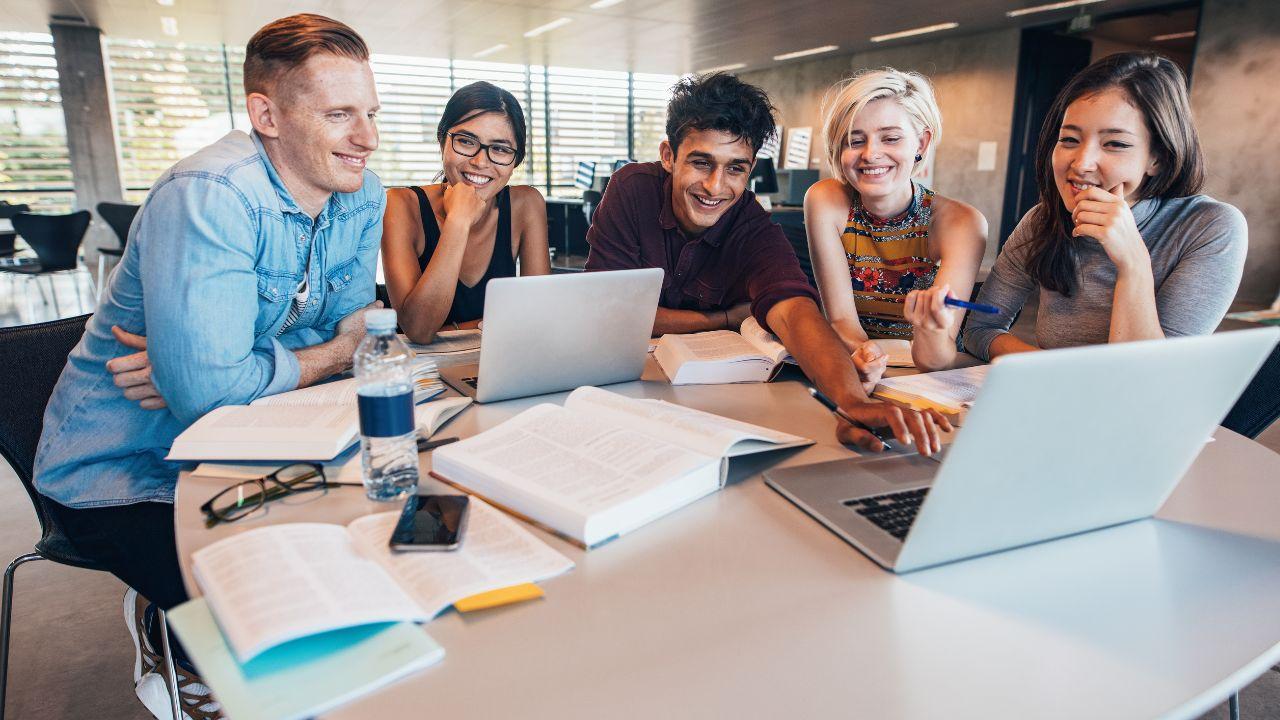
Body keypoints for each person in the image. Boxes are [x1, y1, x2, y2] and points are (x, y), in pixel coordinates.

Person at [32, 14, 383, 718]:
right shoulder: (211, 194)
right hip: (124, 468)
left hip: (256, 441)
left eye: (371, 113)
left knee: (365, 554)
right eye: (340, 114)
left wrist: (230, 369)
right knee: (280, 609)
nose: (366, 138)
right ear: (267, 114)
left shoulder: (361, 193)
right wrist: (302, 358)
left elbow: (352, 339)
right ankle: (179, 643)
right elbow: (225, 390)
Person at [585, 72, 948, 453]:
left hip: (708, 402)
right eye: (701, 163)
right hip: (622, 390)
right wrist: (723, 318)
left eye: (735, 168)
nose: (715, 186)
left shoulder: (751, 225)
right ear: (669, 156)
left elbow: (794, 311)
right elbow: (611, 312)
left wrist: (852, 402)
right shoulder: (631, 190)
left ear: (751, 169)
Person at [963, 52, 1246, 360]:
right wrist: (1048, 374)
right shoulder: (1042, 220)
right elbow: (980, 330)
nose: (1082, 163)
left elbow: (1150, 376)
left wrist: (1133, 262)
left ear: (1158, 157)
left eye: (1115, 144)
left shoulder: (1211, 227)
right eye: (1069, 139)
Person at [805, 68, 987, 377]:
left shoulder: (961, 223)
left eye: (890, 138)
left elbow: (938, 359)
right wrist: (866, 356)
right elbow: (841, 322)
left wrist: (928, 329)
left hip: (931, 376)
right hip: (862, 367)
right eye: (855, 140)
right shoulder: (825, 201)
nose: (871, 154)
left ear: (921, 144)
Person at [381, 81, 549, 343]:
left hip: (502, 362)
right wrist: (458, 221)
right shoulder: (400, 205)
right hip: (425, 372)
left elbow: (539, 317)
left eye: (501, 149)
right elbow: (419, 330)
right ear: (442, 142)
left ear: (515, 160)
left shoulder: (525, 205)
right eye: (466, 141)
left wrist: (452, 330)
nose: (480, 162)